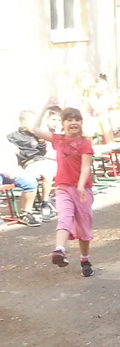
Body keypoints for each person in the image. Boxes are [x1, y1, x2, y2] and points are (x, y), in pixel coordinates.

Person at [32, 106, 95, 274]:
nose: (74, 123)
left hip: (82, 190)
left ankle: (85, 259)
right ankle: (59, 249)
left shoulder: (85, 143)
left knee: (83, 227)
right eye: (69, 119)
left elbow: (86, 167)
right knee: (64, 217)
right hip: (63, 187)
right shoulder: (58, 140)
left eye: (77, 120)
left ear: (81, 123)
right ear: (63, 123)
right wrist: (45, 106)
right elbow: (35, 128)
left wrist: (80, 185)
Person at [8, 110, 58, 219]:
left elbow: (42, 152)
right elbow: (14, 154)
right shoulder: (13, 137)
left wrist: (41, 141)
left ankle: (52, 198)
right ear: (24, 124)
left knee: (65, 169)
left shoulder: (37, 135)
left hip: (41, 161)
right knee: (47, 174)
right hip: (29, 164)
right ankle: (45, 203)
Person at [0, 137, 41, 227]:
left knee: (30, 182)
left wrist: (12, 169)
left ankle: (26, 213)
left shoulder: (3, 139)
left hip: (10, 169)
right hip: (4, 171)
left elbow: (15, 151)